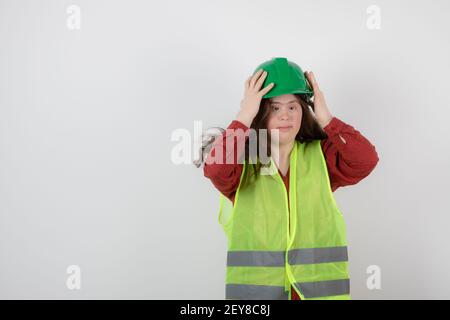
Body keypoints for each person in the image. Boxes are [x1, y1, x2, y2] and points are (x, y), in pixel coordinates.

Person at [196, 57, 379, 300]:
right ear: (260, 111)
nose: (285, 116)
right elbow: (216, 170)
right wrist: (244, 116)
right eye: (275, 108)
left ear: (304, 110)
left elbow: (365, 160)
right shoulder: (244, 160)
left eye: (293, 107)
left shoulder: (319, 156)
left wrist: (326, 118)